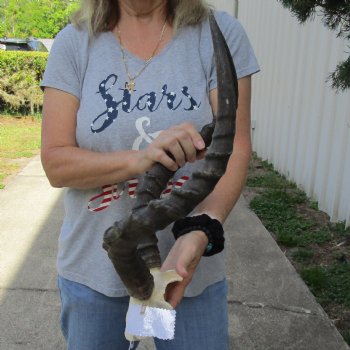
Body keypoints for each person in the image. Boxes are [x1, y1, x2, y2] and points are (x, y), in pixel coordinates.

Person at [40, 0, 259, 349]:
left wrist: (201, 229)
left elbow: (234, 147)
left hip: (187, 269)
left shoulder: (217, 34)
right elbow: (56, 163)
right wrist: (141, 158)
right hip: (95, 277)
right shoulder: (74, 43)